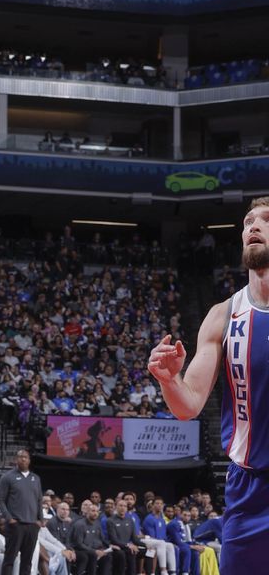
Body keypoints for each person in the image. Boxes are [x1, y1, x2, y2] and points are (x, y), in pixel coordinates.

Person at [149, 197, 269, 573]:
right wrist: (169, 380)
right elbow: (189, 406)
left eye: (266, 220)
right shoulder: (223, 315)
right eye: (248, 221)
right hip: (248, 489)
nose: (253, 225)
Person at [0, 449, 42, 575]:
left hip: (32, 525)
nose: (23, 459)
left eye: (25, 457)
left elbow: (39, 500)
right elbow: (0, 500)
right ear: (16, 459)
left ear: (29, 460)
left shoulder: (36, 478)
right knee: (9, 559)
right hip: (15, 525)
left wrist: (40, 520)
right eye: (20, 457)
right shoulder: (7, 477)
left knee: (27, 561)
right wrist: (9, 518)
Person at [106, 499, 140, 575]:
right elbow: (114, 540)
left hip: (127, 547)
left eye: (125, 506)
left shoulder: (130, 520)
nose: (123, 508)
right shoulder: (110, 521)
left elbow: (135, 538)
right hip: (116, 547)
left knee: (148, 551)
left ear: (127, 508)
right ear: (115, 507)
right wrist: (128, 545)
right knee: (122, 553)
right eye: (120, 505)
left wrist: (146, 545)